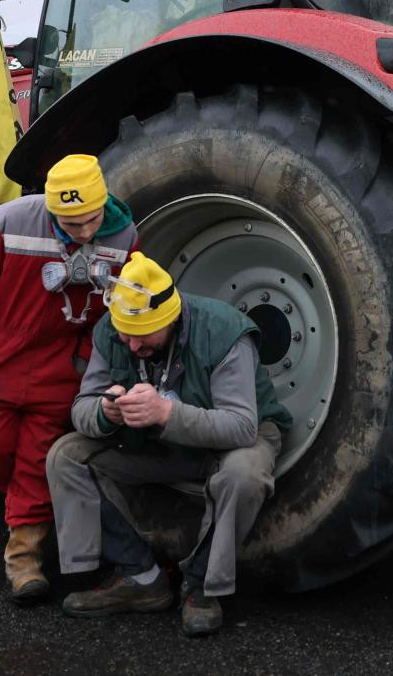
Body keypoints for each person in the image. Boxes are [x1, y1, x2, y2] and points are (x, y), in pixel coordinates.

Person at [49, 251, 292, 636]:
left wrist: (165, 413)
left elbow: (242, 427)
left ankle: (201, 587)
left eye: (143, 335)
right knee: (67, 456)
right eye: (126, 334)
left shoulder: (224, 332)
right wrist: (104, 413)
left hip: (231, 443)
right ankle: (140, 577)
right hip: (164, 444)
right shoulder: (112, 331)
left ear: (171, 319)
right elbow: (82, 406)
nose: (132, 345)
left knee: (245, 475)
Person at [0, 154, 137, 602]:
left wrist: (85, 364)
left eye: (91, 221)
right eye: (71, 224)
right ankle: (23, 519)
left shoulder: (126, 237)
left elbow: (118, 312)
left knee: (36, 464)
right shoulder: (7, 222)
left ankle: (24, 562)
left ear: (103, 203)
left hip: (59, 371)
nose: (84, 232)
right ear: (52, 209)